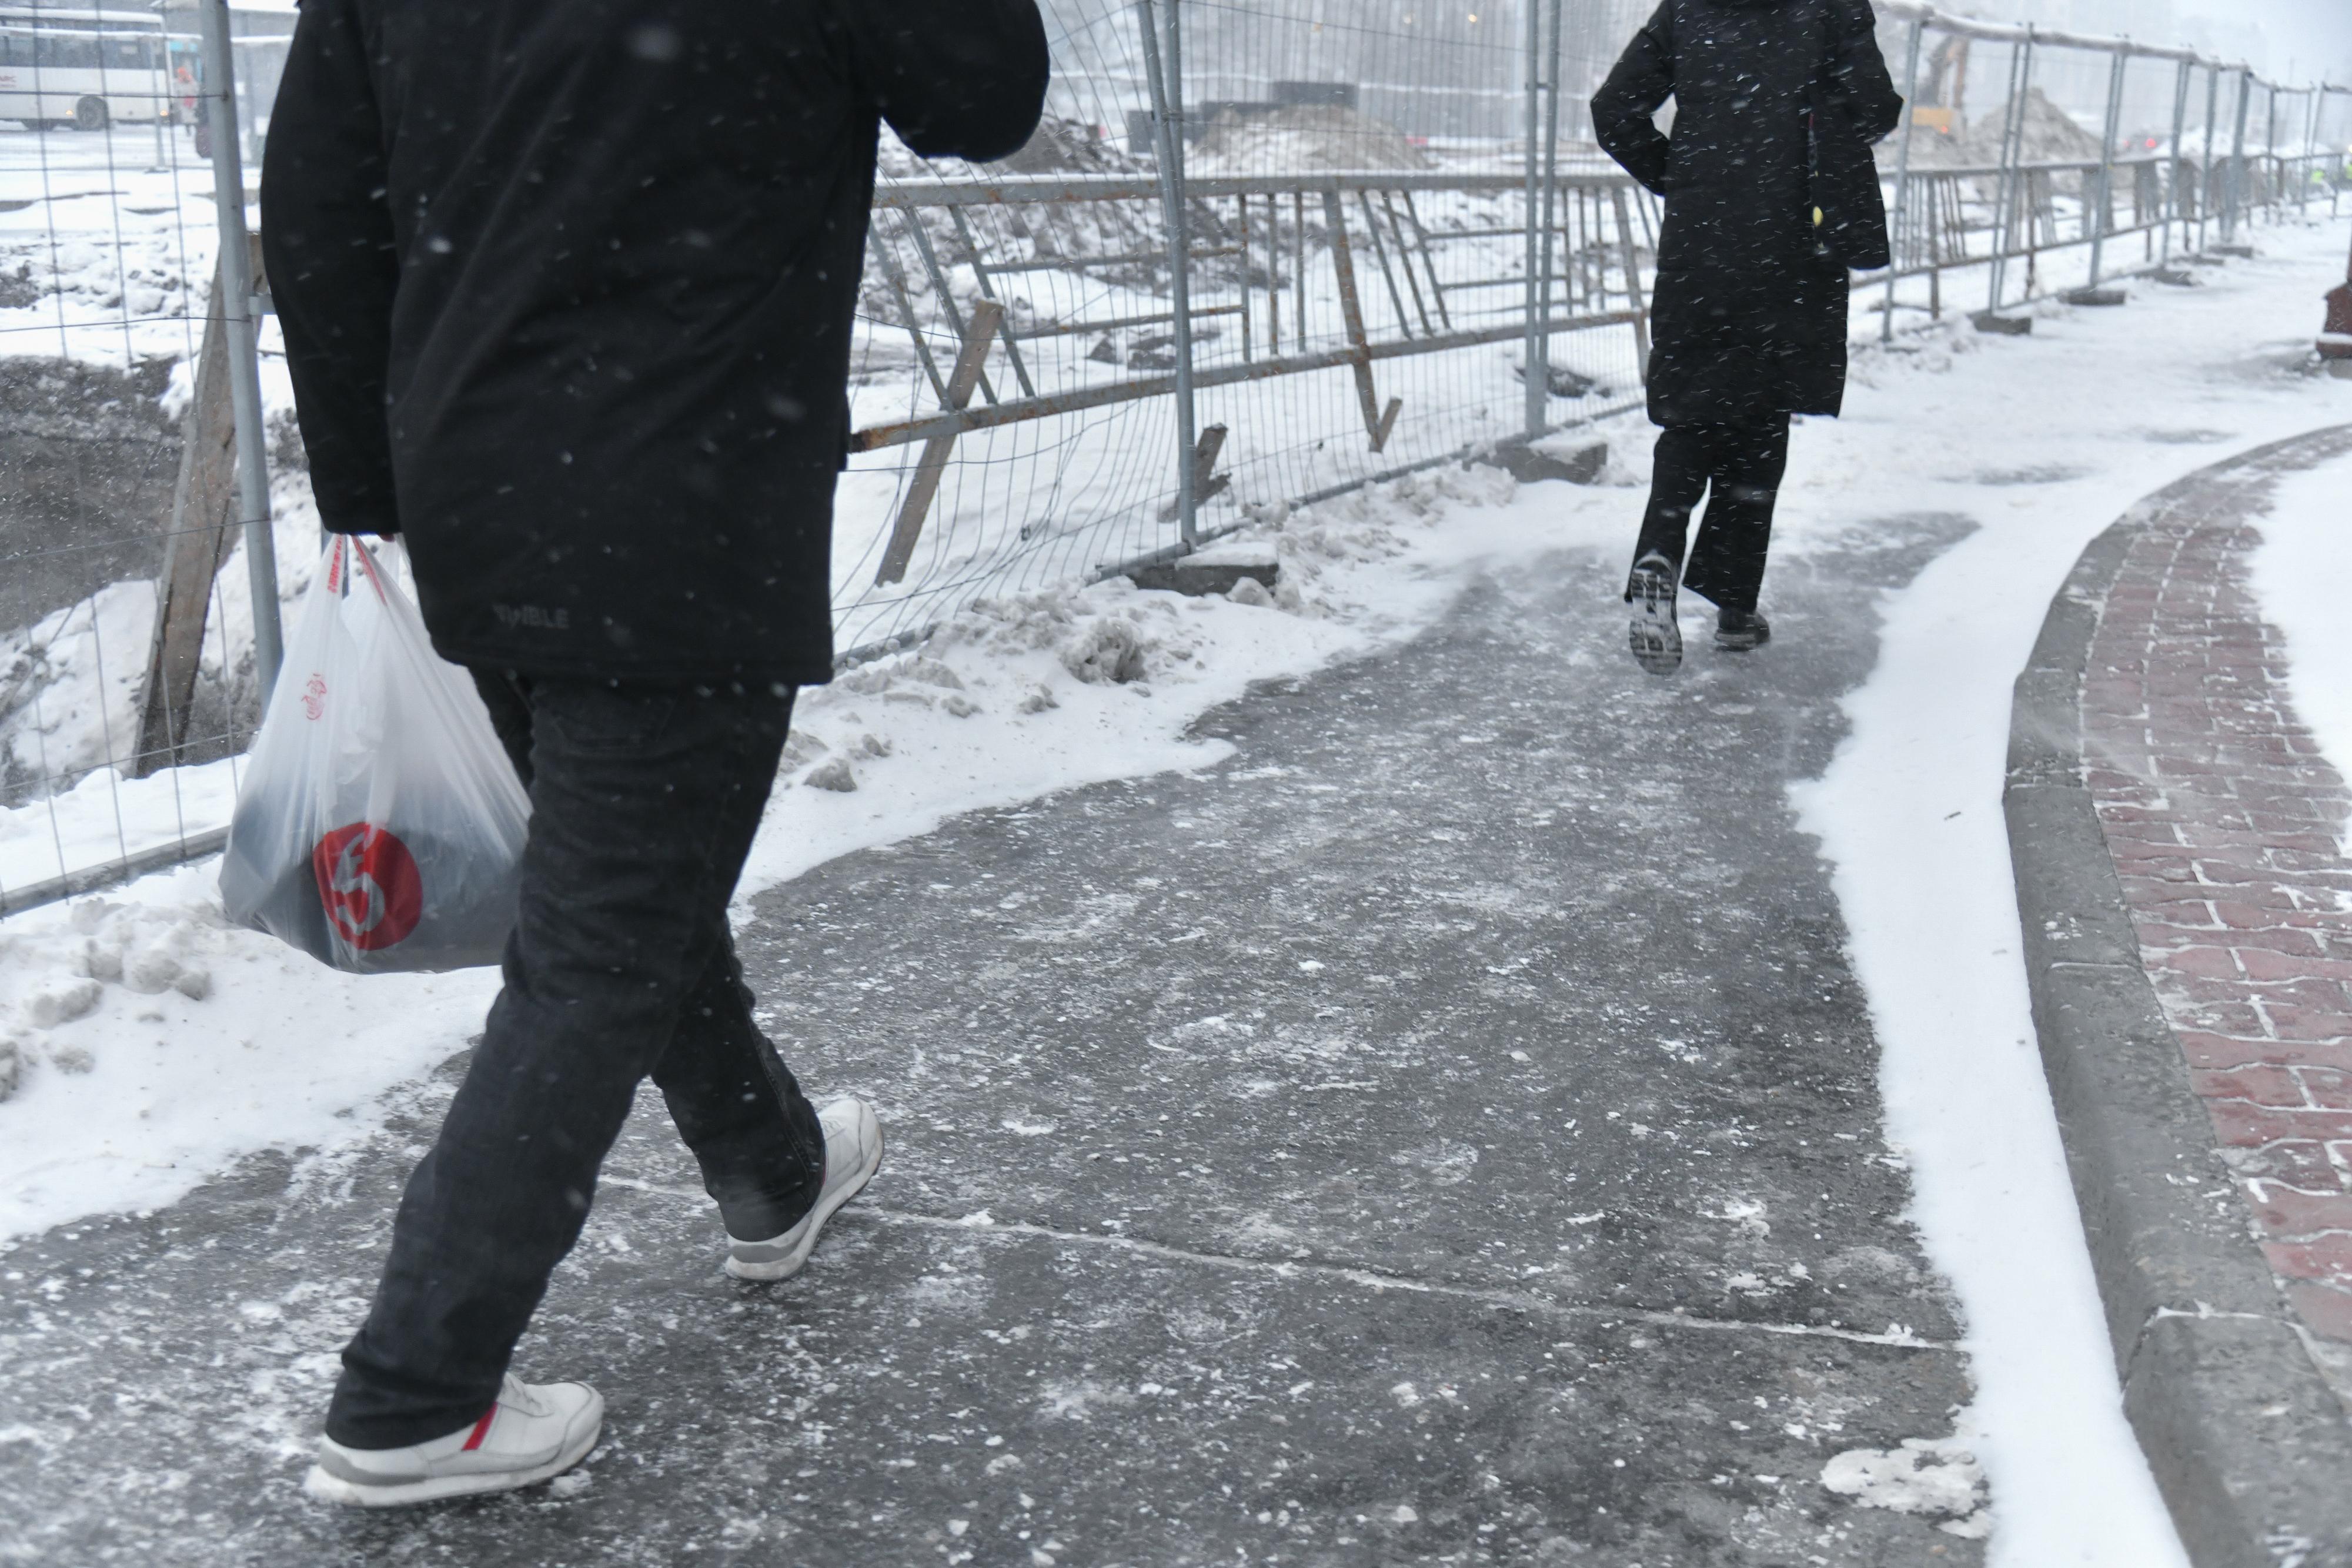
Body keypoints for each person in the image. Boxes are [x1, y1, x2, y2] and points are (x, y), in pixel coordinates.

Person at [260, 0, 1048, 1506]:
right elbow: (983, 94)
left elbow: (315, 207)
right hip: (688, 498)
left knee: (619, 888)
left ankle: (777, 1171)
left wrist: (376, 488)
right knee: (603, 945)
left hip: (478, 486)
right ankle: (414, 1392)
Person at [1592, 0, 1900, 676]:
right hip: (1792, 240)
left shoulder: (1686, 9)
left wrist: (1683, 180)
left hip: (1701, 245)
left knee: (1697, 407)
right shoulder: (1830, 7)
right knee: (1763, 413)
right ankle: (1734, 607)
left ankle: (1660, 551)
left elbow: (1613, 109)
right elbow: (1875, 109)